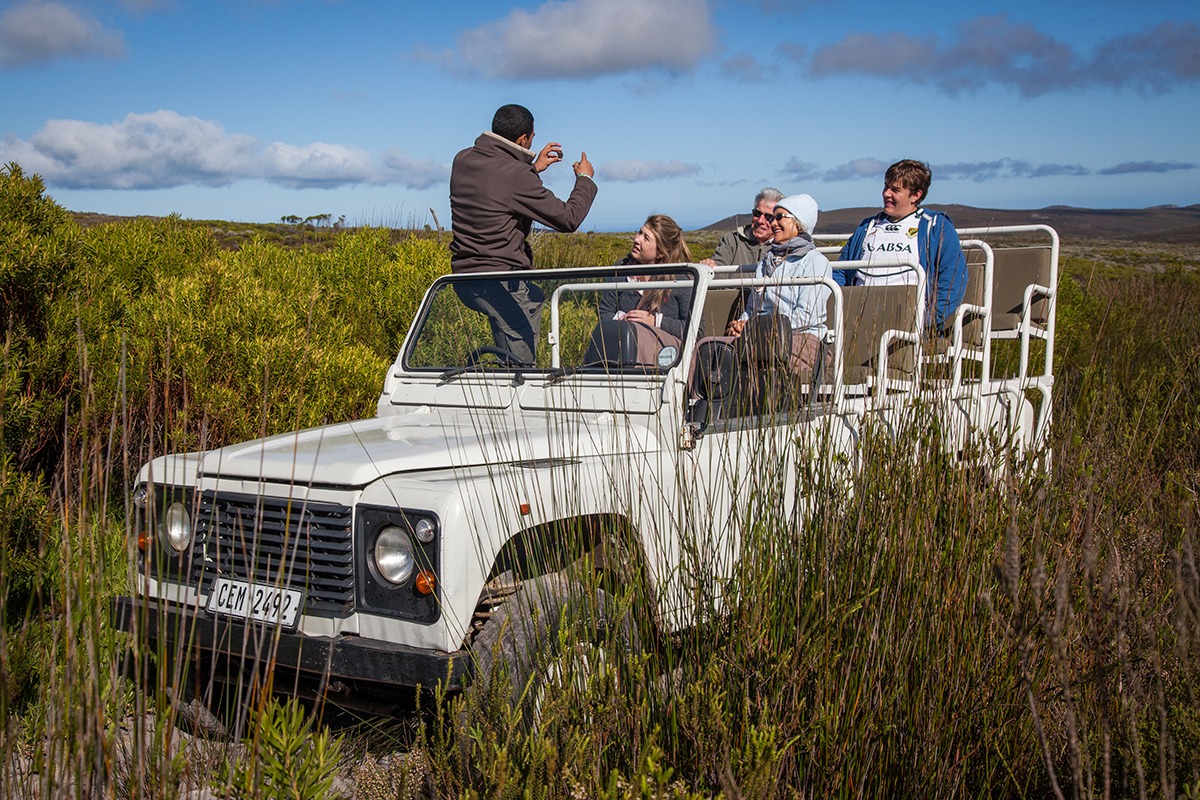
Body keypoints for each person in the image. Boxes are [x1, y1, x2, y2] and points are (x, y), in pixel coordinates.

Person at [449, 103, 597, 364]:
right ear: (522, 138)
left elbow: (495, 185)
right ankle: (515, 386)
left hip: (463, 277)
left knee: (535, 296)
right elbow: (567, 219)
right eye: (531, 138)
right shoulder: (517, 175)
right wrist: (584, 180)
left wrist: (532, 167)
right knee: (521, 368)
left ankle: (505, 370)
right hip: (499, 283)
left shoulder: (463, 159)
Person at [835, 159, 966, 332]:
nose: (887, 194)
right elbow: (841, 271)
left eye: (895, 190)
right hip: (857, 322)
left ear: (916, 195)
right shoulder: (867, 227)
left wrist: (927, 320)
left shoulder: (935, 226)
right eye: (886, 187)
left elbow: (952, 278)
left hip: (909, 324)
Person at [727, 193, 831, 380]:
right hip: (759, 337)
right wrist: (741, 324)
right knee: (711, 349)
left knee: (763, 357)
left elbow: (807, 315)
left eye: (779, 217)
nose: (773, 223)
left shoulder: (815, 262)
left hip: (802, 338)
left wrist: (755, 329)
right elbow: (753, 309)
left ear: (799, 223)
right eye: (773, 218)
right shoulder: (766, 262)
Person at [600, 214, 696, 352]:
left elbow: (696, 331)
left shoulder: (681, 280)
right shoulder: (619, 270)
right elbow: (604, 312)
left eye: (646, 238)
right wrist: (623, 320)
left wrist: (656, 322)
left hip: (664, 359)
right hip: (621, 352)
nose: (636, 240)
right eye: (640, 232)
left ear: (661, 253)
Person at [700, 187, 784, 268]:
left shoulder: (785, 246)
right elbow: (718, 271)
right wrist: (709, 266)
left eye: (768, 217)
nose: (760, 221)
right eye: (757, 214)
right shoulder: (732, 240)